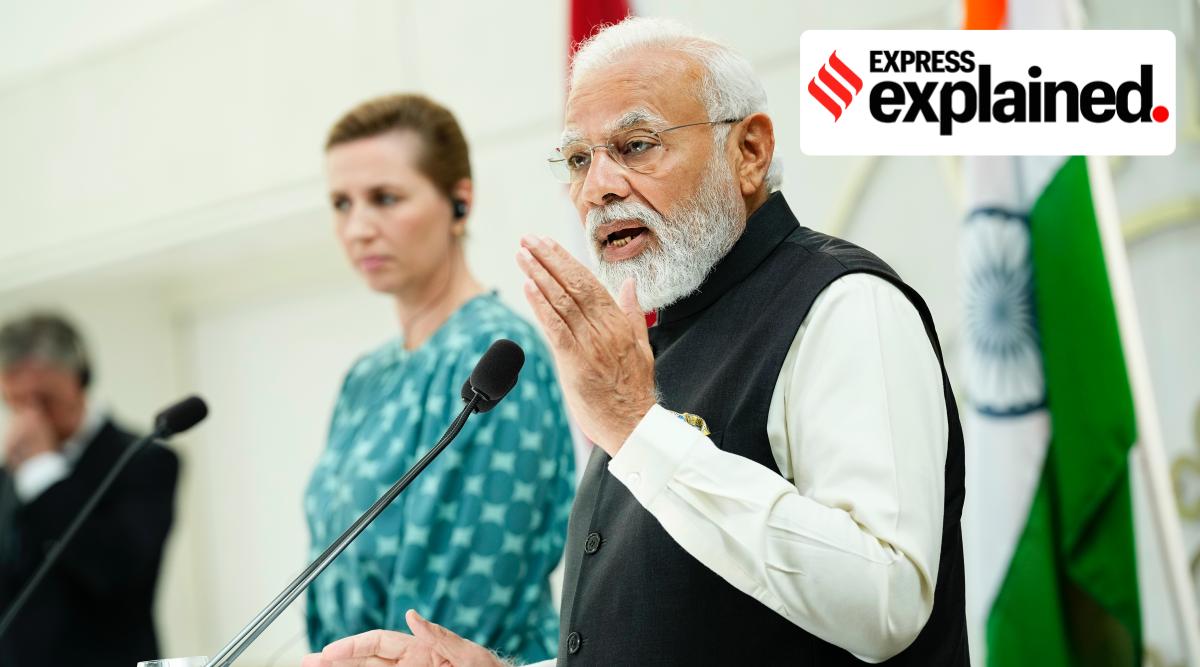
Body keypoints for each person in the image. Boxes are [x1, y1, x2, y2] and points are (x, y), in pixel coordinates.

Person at [303, 18, 967, 667]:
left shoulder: (845, 303)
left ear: (750, 151)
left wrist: (635, 424)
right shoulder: (656, 342)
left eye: (637, 145)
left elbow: (886, 604)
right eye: (577, 159)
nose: (598, 188)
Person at [304, 94, 576, 664]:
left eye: (385, 198)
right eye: (341, 203)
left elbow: (449, 619)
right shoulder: (365, 376)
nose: (358, 228)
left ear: (459, 200)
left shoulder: (496, 356)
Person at [0, 312, 179, 667]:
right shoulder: (8, 472)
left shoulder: (144, 459)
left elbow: (118, 570)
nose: (29, 416)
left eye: (42, 399)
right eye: (15, 402)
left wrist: (43, 472)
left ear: (79, 378)